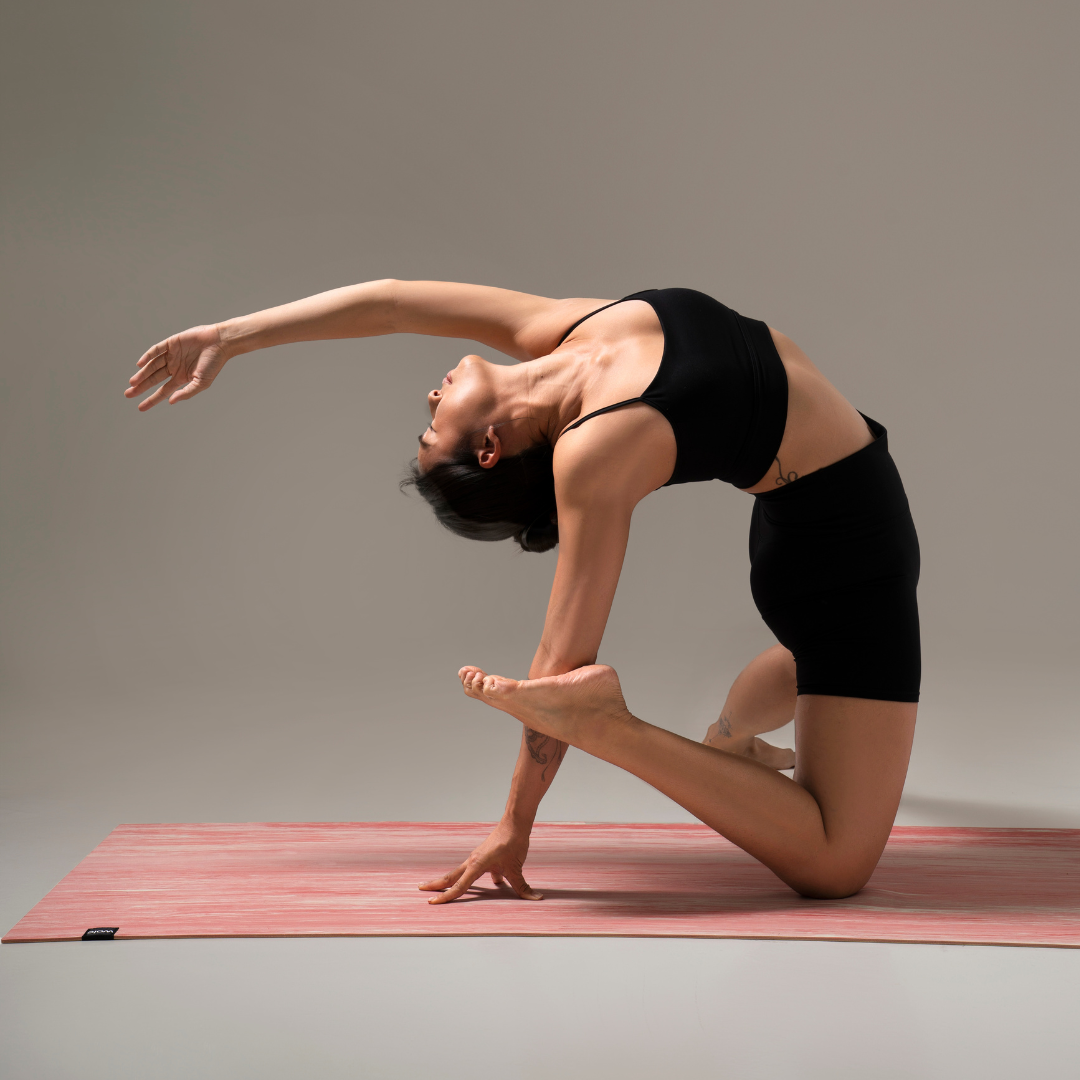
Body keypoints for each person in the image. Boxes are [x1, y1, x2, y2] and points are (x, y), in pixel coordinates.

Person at [126, 279, 920, 903]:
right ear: (492, 446)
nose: (428, 400)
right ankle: (623, 732)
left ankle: (727, 741)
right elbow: (558, 666)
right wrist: (516, 822)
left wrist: (232, 335)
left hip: (800, 537)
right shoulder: (595, 448)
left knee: (808, 661)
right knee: (834, 866)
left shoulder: (569, 335)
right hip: (850, 556)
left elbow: (396, 300)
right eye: (432, 428)